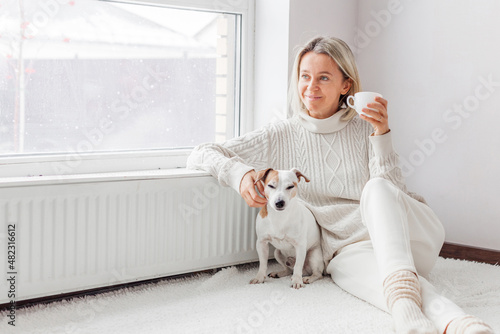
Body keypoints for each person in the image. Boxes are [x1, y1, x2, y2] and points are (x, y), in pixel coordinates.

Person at [187, 36, 494, 334]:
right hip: (347, 250)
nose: (311, 86)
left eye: (323, 77)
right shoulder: (280, 134)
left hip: (410, 235)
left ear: (346, 85)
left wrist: (381, 134)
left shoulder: (365, 128)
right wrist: (239, 174)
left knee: (376, 189)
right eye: (304, 76)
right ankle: (455, 323)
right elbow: (202, 152)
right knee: (398, 292)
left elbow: (392, 191)